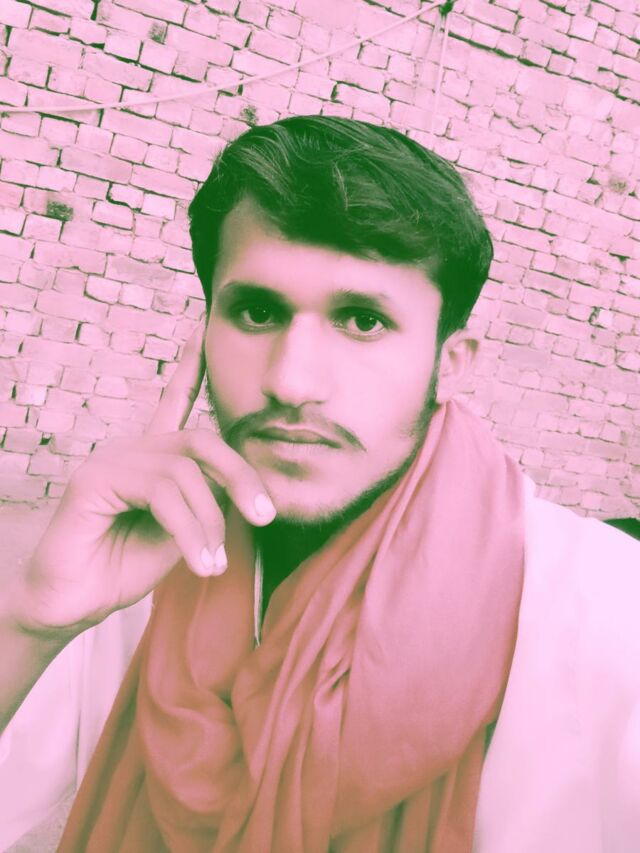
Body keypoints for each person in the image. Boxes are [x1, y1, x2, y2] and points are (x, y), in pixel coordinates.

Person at [1, 115, 638, 852]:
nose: (291, 381)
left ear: (451, 363)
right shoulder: (149, 558)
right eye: (257, 312)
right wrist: (33, 624)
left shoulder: (600, 608)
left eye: (363, 321)